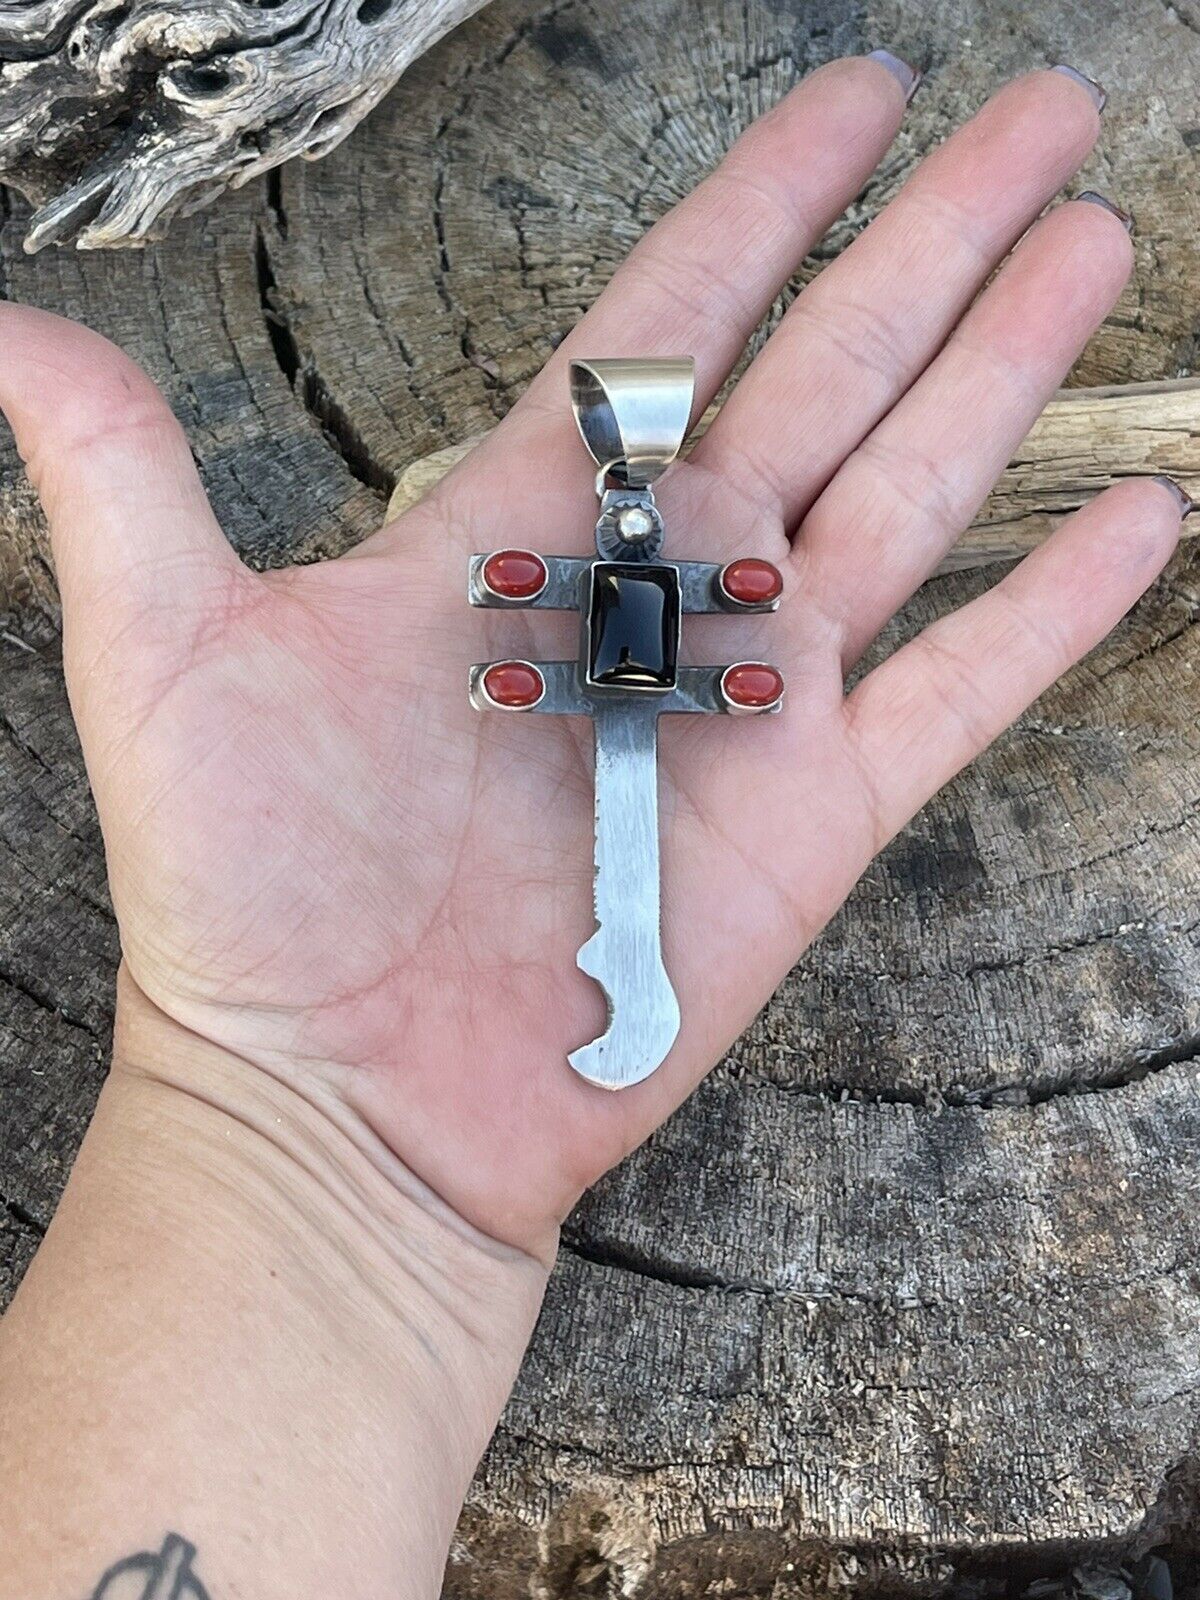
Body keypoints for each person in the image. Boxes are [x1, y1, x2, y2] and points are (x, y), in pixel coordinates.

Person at [0, 50, 1188, 1600]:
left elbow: (723, 607)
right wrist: (279, 1126)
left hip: (644, 710)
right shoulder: (570, 577)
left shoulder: (654, 563)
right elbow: (553, 605)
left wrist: (289, 1142)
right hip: (609, 712)